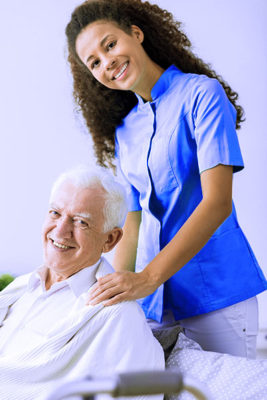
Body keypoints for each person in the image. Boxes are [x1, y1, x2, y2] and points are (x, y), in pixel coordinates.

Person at [65, 0, 267, 358]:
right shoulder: (126, 131)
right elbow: (133, 218)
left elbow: (217, 203)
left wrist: (146, 278)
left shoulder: (201, 95)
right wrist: (115, 290)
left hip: (216, 295)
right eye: (93, 62)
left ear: (136, 34)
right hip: (154, 304)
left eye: (109, 44)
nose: (106, 61)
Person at [0, 165, 164, 400]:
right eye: (55, 213)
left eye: (80, 222)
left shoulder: (116, 315)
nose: (61, 230)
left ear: (110, 239)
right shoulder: (21, 288)